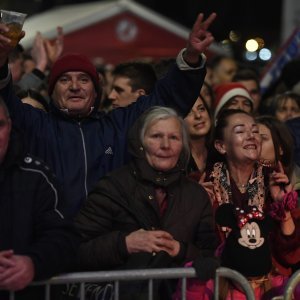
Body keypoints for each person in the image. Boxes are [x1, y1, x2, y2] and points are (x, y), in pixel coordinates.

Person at [0, 12, 217, 217]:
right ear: (51, 90)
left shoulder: (118, 125)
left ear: (96, 91)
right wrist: (1, 58)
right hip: (54, 244)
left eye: (84, 80)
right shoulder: (37, 125)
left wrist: (190, 56)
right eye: (64, 80)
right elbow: (5, 100)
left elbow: (166, 100)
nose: (75, 86)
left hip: (109, 241)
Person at [74, 106, 217, 300]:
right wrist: (125, 243)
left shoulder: (196, 195)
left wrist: (179, 249)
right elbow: (77, 249)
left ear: (183, 145)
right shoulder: (113, 186)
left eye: (174, 138)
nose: (165, 145)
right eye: (156, 136)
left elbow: (210, 254)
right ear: (140, 142)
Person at [204, 109, 299, 298]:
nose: (251, 136)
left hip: (268, 287)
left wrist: (284, 209)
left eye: (255, 131)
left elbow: (291, 254)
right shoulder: (204, 184)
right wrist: (200, 204)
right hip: (220, 287)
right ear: (221, 145)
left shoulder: (275, 181)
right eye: (240, 131)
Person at [0, 97, 78, 299]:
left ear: (9, 126)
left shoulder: (36, 176)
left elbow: (63, 237)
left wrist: (32, 263)